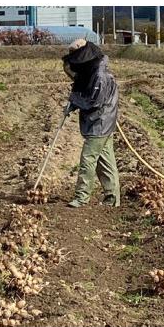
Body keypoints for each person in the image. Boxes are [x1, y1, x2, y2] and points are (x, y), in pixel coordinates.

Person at [62, 39, 120, 208]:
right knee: (105, 161)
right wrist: (73, 102)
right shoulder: (91, 71)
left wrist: (74, 101)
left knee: (88, 159)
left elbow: (93, 101)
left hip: (100, 122)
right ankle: (112, 198)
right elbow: (83, 89)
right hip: (100, 122)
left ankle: (81, 197)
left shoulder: (100, 77)